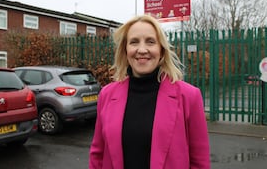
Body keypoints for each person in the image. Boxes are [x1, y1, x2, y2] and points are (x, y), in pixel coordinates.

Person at [89, 14, 210, 169]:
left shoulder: (189, 96)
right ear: (125, 50)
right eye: (134, 42)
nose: (142, 49)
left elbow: (199, 162)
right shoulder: (107, 95)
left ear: (161, 49)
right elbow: (97, 154)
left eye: (150, 42)